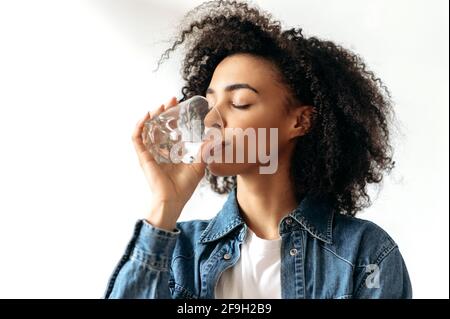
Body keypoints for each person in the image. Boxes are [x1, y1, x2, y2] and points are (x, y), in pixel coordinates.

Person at [105, 0, 412, 299]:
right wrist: (165, 205)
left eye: (240, 103)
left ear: (301, 121)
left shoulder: (366, 253)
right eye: (208, 104)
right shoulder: (180, 253)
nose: (209, 120)